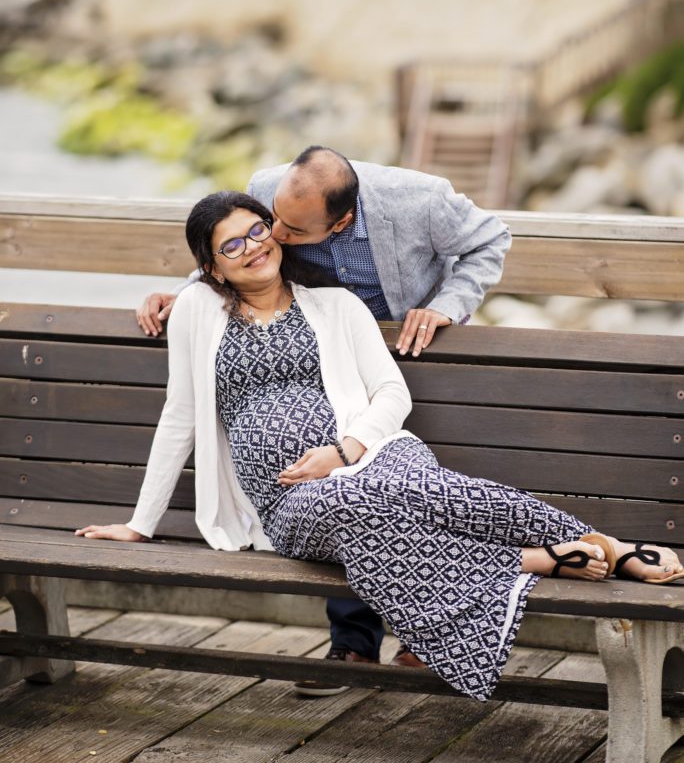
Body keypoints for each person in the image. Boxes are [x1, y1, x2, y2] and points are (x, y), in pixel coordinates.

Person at [80, 192, 684, 704]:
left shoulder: (337, 306)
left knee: (402, 489)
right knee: (353, 509)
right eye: (230, 245)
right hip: (290, 500)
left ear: (276, 233)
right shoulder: (196, 312)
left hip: (374, 455)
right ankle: (537, 558)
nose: (252, 247)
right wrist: (139, 524)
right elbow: (179, 415)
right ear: (211, 268)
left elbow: (391, 394)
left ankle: (608, 546)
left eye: (257, 231)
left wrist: (343, 452)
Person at [136, 147, 513, 692]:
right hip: (309, 348)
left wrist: (447, 305)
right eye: (275, 219)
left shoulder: (422, 200)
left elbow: (490, 240)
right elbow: (239, 250)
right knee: (343, 495)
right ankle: (357, 646)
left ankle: (425, 630)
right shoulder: (271, 190)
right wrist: (191, 293)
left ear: (341, 221)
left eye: (292, 228)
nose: (278, 233)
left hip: (397, 345)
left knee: (380, 488)